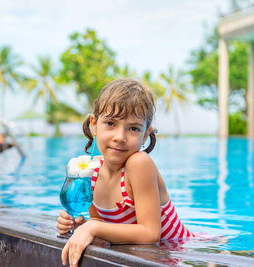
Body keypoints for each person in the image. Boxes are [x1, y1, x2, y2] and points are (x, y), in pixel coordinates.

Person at [56, 78, 195, 266]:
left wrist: (93, 227)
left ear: (146, 134)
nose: (120, 137)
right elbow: (101, 225)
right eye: (111, 123)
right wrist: (80, 226)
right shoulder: (91, 172)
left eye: (134, 128)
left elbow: (150, 234)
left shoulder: (139, 164)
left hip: (182, 251)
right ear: (94, 124)